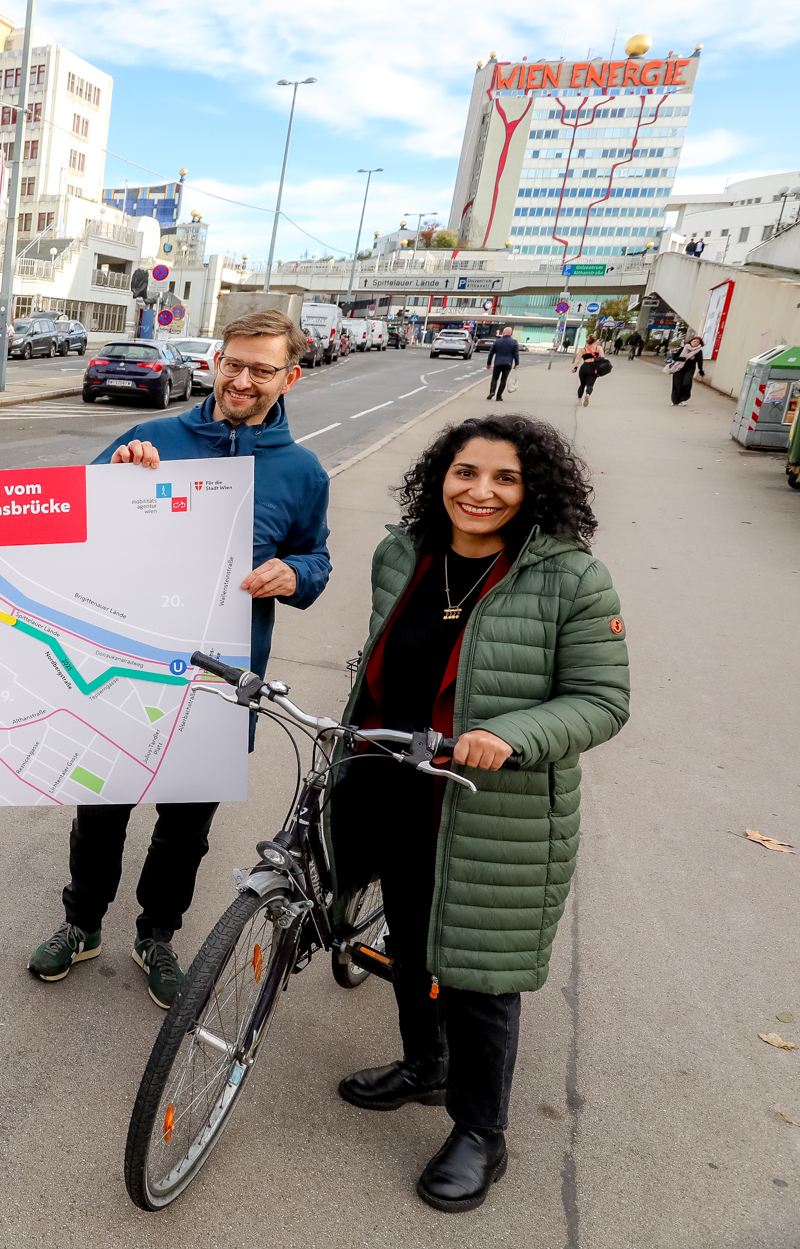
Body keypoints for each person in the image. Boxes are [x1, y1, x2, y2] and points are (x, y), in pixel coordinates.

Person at [327, 414, 628, 1213]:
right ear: (441, 476)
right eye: (466, 472)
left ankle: (481, 1131)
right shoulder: (404, 552)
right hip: (397, 785)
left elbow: (602, 699)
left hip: (496, 812)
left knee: (479, 977)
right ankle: (423, 1065)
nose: (481, 491)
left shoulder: (569, 578)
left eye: (505, 478)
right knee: (411, 945)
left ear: (534, 489)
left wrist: (510, 733)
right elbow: (380, 666)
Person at [27, 308, 332, 1006]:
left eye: (261, 369)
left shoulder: (301, 472)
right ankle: (81, 922)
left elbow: (316, 558)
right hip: (124, 668)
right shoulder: (151, 436)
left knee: (185, 827)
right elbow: (74, 524)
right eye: (233, 362)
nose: (242, 379)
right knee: (100, 808)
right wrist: (117, 479)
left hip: (221, 684)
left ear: (291, 375)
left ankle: (157, 933)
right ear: (216, 361)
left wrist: (296, 574)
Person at [670, 334, 705, 405]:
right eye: (694, 341)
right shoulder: (683, 348)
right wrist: (682, 359)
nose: (695, 343)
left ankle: (683, 399)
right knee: (677, 384)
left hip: (690, 369)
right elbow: (674, 357)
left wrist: (701, 370)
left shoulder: (698, 351)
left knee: (686, 383)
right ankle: (675, 400)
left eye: (698, 342)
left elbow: (700, 361)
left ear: (699, 344)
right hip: (679, 368)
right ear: (691, 341)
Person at [486, 328, 520, 401]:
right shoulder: (514, 342)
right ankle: (499, 396)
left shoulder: (497, 342)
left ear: (503, 332)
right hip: (508, 364)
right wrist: (517, 363)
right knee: (503, 380)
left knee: (495, 378)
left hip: (498, 363)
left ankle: (492, 392)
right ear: (511, 333)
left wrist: (489, 363)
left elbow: (491, 353)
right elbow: (516, 354)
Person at [575, 336, 606, 406]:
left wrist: (575, 367)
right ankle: (588, 394)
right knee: (590, 384)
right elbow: (603, 356)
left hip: (584, 367)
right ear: (595, 341)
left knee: (582, 384)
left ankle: (579, 400)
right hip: (593, 368)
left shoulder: (583, 349)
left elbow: (577, 359)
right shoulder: (598, 348)